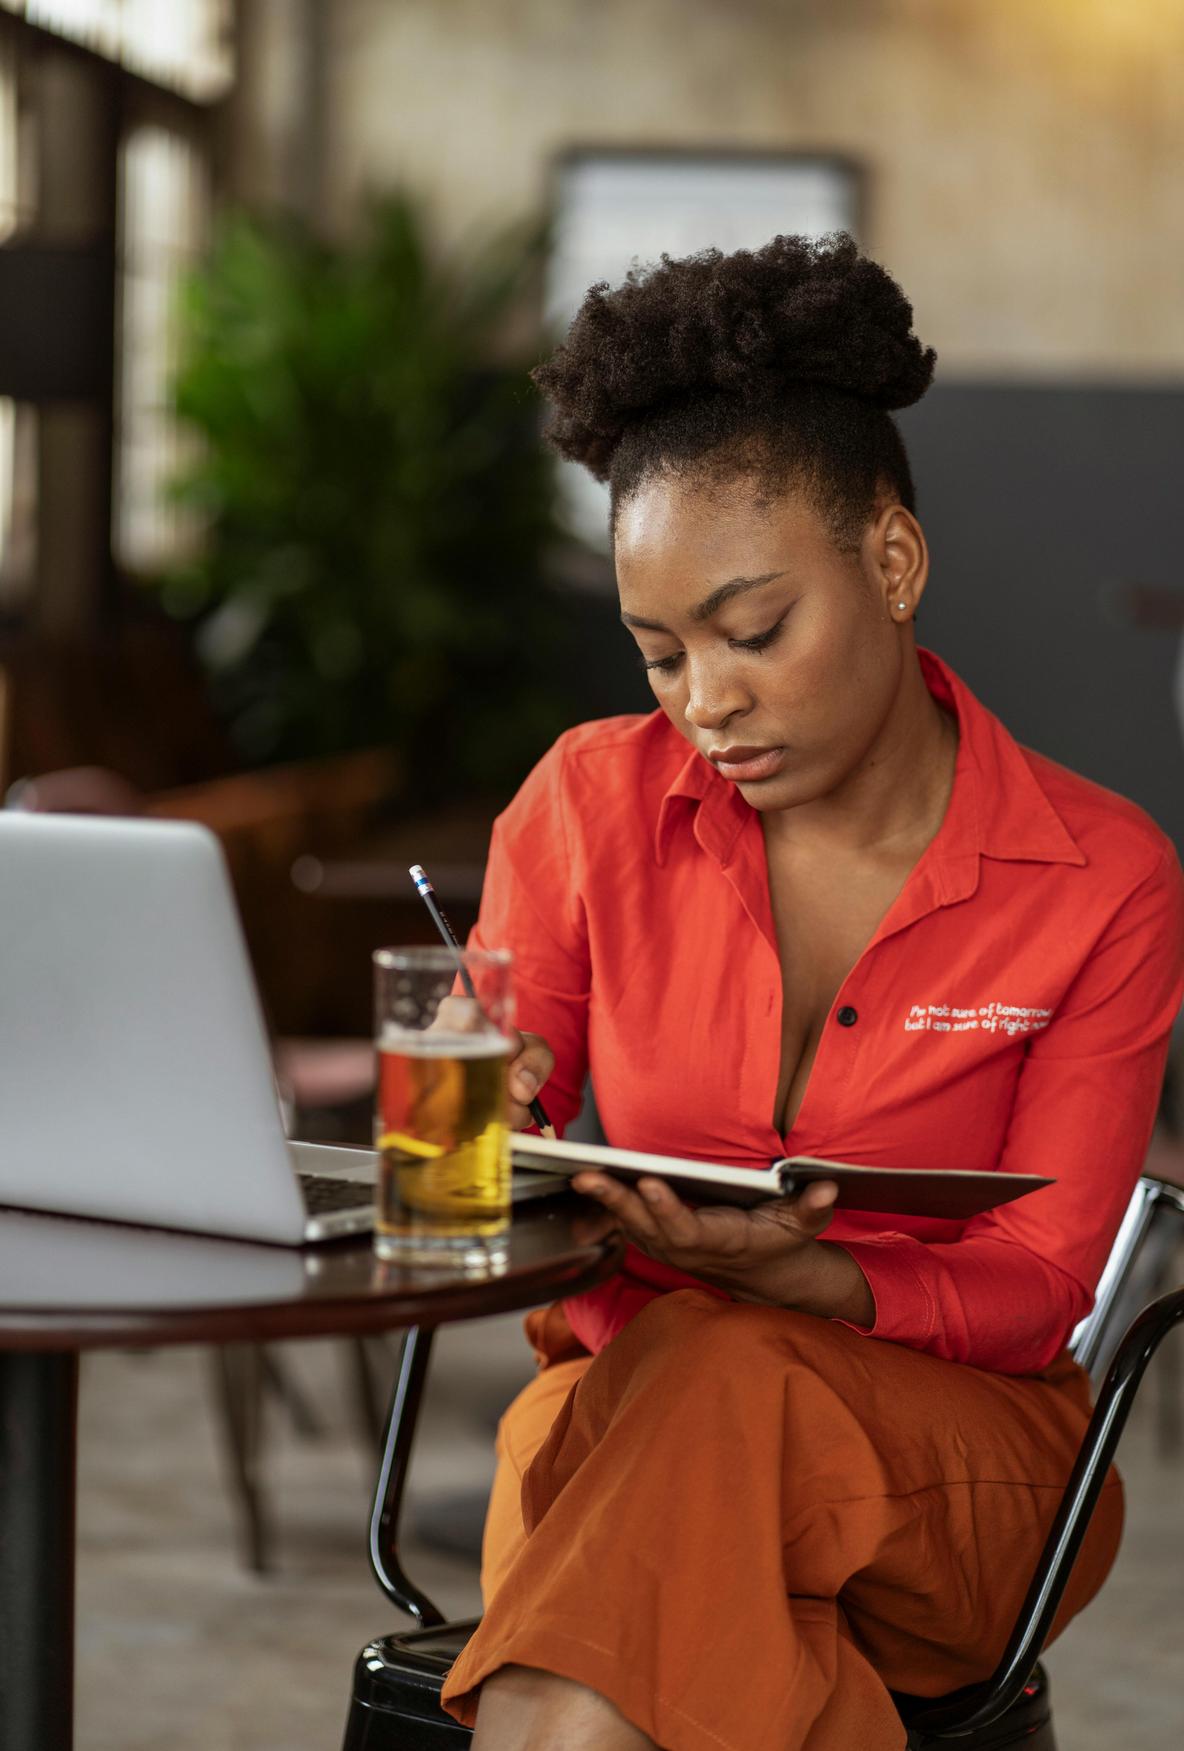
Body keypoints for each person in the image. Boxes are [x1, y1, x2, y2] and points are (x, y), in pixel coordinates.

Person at [439, 233, 1184, 1750]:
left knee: (711, 1389)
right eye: (659, 655)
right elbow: (459, 1203)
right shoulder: (585, 805)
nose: (707, 702)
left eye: (753, 631)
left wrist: (816, 1285)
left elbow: (1051, 1287)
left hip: (952, 1473)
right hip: (625, 1408)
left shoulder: (1105, 876)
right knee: (697, 1601)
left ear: (893, 562)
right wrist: (477, 1122)